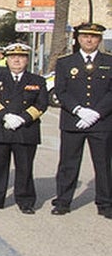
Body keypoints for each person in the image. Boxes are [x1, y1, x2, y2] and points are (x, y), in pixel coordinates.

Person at [51, 22, 112, 217]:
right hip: (73, 121)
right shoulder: (65, 62)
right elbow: (61, 90)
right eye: (85, 36)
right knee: (68, 163)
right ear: (78, 39)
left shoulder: (109, 61)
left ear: (99, 40)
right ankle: (63, 201)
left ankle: (105, 203)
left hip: (101, 122)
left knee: (103, 164)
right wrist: (78, 110)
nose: (89, 40)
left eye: (93, 37)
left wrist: (96, 113)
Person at [0, 43, 49, 214]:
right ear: (7, 60)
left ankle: (25, 201)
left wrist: (23, 118)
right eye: (12, 57)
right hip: (0, 128)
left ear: (27, 60)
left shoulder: (37, 80)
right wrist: (5, 115)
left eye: (21, 57)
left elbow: (41, 104)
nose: (17, 60)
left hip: (25, 130)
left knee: (25, 168)